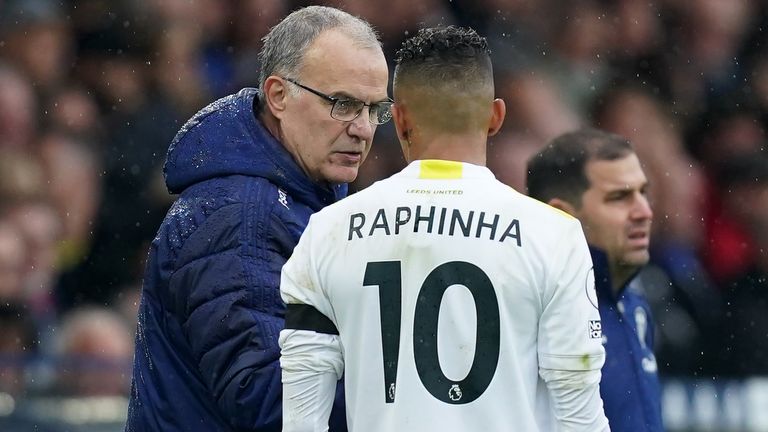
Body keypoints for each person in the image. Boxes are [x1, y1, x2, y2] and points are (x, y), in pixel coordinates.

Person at [279, 26, 609, 432]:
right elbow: (579, 413)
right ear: (496, 117)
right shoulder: (555, 236)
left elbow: (300, 420)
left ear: (398, 119)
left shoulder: (326, 233)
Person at [125, 5, 390, 431]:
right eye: (342, 104)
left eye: (375, 109)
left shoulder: (300, 194)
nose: (362, 128)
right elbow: (271, 402)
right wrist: (405, 377)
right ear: (279, 96)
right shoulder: (239, 218)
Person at [526, 128, 664, 431]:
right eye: (619, 197)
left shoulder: (635, 303)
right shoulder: (532, 312)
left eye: (643, 192)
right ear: (561, 216)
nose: (644, 211)